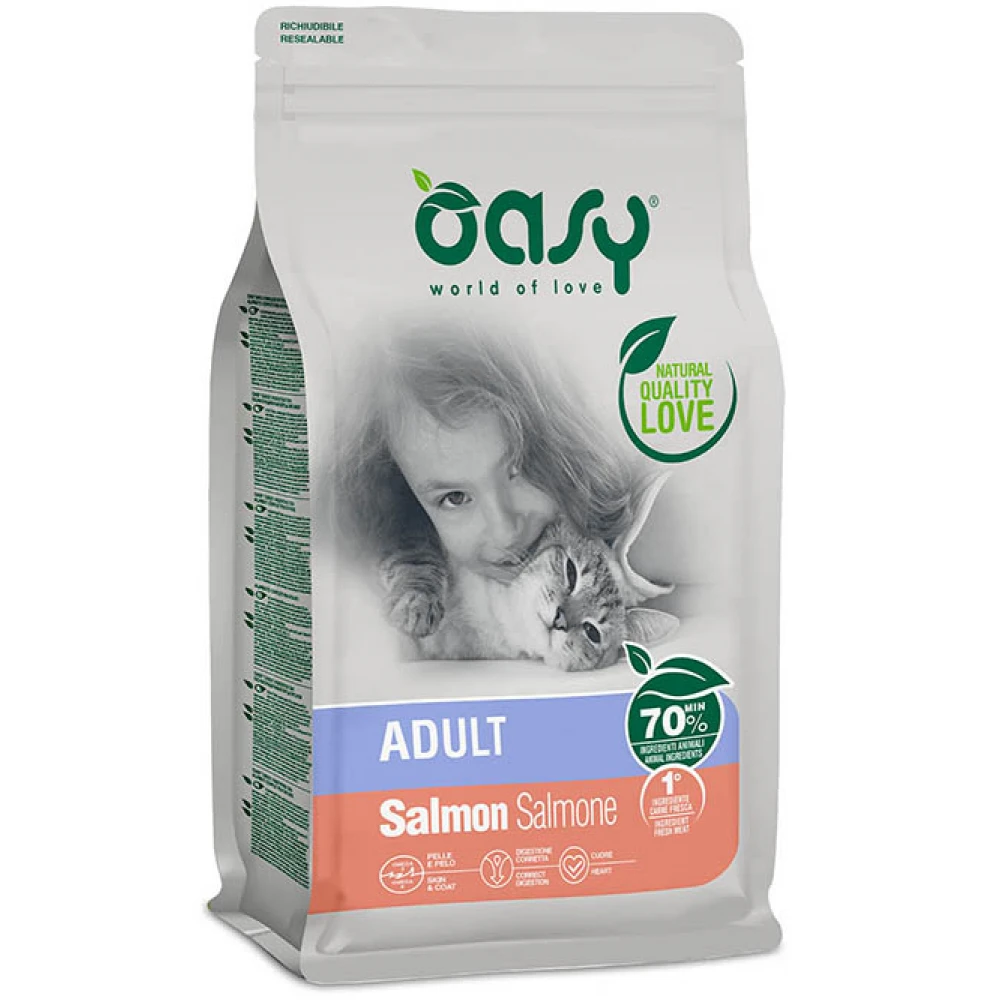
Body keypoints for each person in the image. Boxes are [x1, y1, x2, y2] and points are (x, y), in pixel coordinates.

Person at [333, 323, 673, 639]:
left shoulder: (618, 525)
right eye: (455, 498)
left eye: (520, 468)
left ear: (569, 441)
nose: (506, 532)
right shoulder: (382, 576)